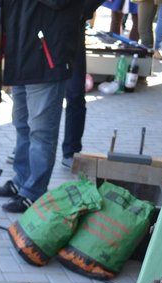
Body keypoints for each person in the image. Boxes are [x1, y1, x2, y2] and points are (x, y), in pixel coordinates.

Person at [0, 0, 84, 212]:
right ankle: (21, 179)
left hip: (48, 54)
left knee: (41, 130)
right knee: (22, 124)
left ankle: (34, 191)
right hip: (21, 49)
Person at [62, 0, 107, 169]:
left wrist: (81, 10)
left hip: (73, 27)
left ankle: (72, 151)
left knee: (75, 93)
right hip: (42, 26)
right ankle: (24, 147)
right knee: (34, 91)